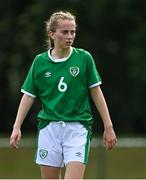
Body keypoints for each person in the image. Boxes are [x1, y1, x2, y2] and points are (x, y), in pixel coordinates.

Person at [10, 11, 117, 179]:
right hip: (49, 128)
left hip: (77, 128)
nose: (70, 36)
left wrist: (108, 127)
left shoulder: (84, 58)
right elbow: (29, 95)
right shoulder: (40, 62)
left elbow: (96, 92)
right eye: (65, 32)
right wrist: (17, 127)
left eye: (73, 32)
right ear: (52, 34)